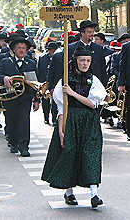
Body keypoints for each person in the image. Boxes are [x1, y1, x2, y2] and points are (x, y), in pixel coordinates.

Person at [41, 47, 107, 209]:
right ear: (76, 60)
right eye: (82, 60)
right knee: (69, 153)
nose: (85, 64)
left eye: (88, 61)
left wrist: (72, 93)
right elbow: (61, 107)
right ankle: (69, 192)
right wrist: (61, 129)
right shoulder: (65, 79)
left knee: (90, 154)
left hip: (89, 121)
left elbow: (92, 104)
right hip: (70, 120)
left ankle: (94, 194)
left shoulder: (93, 80)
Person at [0, 37, 40, 156]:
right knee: (11, 120)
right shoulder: (6, 61)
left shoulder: (31, 63)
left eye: (24, 48)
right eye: (19, 48)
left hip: (25, 98)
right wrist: (4, 78)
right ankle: (13, 142)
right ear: (14, 50)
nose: (21, 50)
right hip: (10, 97)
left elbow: (34, 82)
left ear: (26, 50)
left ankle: (24, 146)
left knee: (24, 121)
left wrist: (36, 99)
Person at [37, 41, 60, 125]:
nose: (52, 52)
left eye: (54, 50)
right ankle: (46, 118)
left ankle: (54, 119)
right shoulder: (42, 58)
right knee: (45, 102)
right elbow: (39, 70)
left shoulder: (58, 58)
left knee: (55, 102)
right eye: (50, 50)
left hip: (54, 82)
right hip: (44, 82)